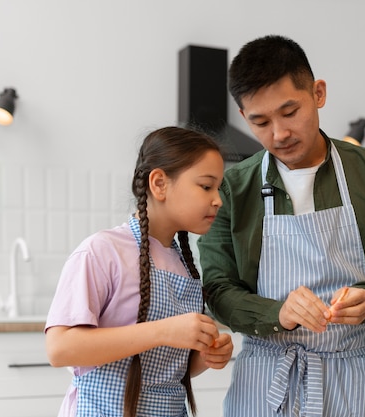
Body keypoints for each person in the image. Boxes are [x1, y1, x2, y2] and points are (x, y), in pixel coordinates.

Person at [197, 35, 365, 417]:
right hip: (265, 380)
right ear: (243, 115)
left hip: (353, 377)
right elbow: (217, 289)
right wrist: (277, 314)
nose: (279, 134)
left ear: (318, 93)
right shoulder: (232, 189)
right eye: (260, 122)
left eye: (289, 112)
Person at [45, 126, 233, 417]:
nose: (218, 199)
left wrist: (206, 356)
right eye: (206, 186)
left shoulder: (185, 263)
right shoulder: (103, 251)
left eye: (218, 188)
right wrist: (162, 331)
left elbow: (166, 371)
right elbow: (60, 349)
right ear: (159, 184)